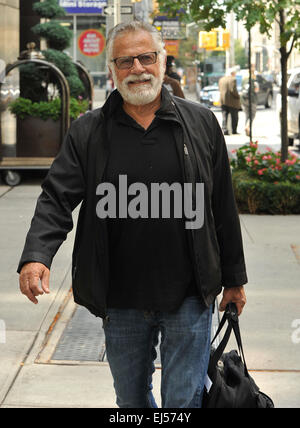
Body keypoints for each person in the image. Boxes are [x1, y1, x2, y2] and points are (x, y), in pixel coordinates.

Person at [18, 21, 247, 408]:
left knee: (183, 400)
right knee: (131, 399)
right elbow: (56, 197)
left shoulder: (201, 124)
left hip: (190, 296)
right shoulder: (89, 131)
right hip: (120, 298)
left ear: (162, 61)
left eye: (146, 57)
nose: (137, 68)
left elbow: (222, 206)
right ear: (112, 70)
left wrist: (234, 280)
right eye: (125, 61)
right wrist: (37, 256)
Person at [218, 67, 241, 135]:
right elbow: (233, 90)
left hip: (223, 101)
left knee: (224, 116)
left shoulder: (221, 79)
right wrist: (238, 96)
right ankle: (234, 130)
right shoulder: (233, 79)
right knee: (234, 117)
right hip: (232, 102)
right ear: (233, 73)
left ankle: (225, 130)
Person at [241, 66, 259, 136]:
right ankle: (247, 126)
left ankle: (247, 131)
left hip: (243, 99)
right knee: (252, 115)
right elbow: (256, 90)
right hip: (252, 99)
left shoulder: (244, 79)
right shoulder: (253, 80)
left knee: (247, 115)